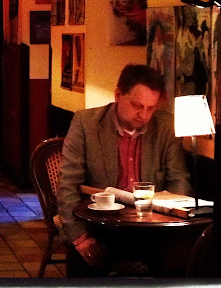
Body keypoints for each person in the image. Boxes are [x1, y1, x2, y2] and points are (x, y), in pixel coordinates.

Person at [57, 64, 192, 276]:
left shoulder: (165, 126)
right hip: (101, 225)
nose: (144, 115)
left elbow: (179, 180)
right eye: (137, 106)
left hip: (152, 226)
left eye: (151, 108)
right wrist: (80, 237)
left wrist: (173, 219)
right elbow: (68, 185)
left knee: (184, 256)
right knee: (83, 261)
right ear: (118, 95)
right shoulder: (86, 124)